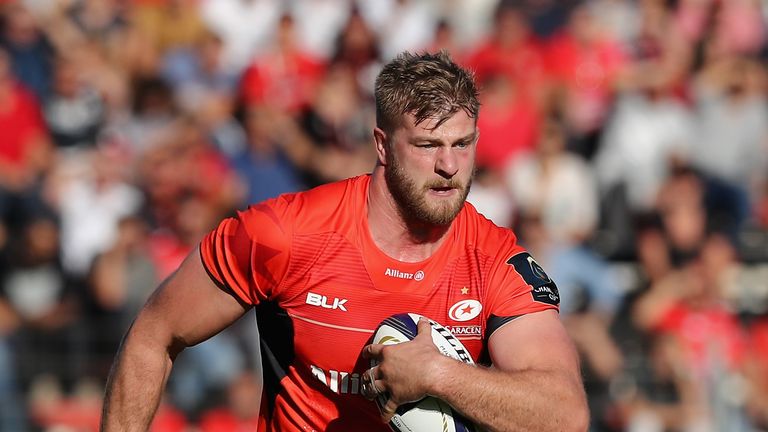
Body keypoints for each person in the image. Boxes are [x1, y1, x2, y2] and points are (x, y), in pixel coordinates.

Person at [101, 51, 588, 432]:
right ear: (381, 145)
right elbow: (154, 333)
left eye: (463, 144)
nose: (449, 166)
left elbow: (565, 416)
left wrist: (438, 376)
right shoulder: (285, 234)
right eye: (427, 145)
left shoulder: (497, 262)